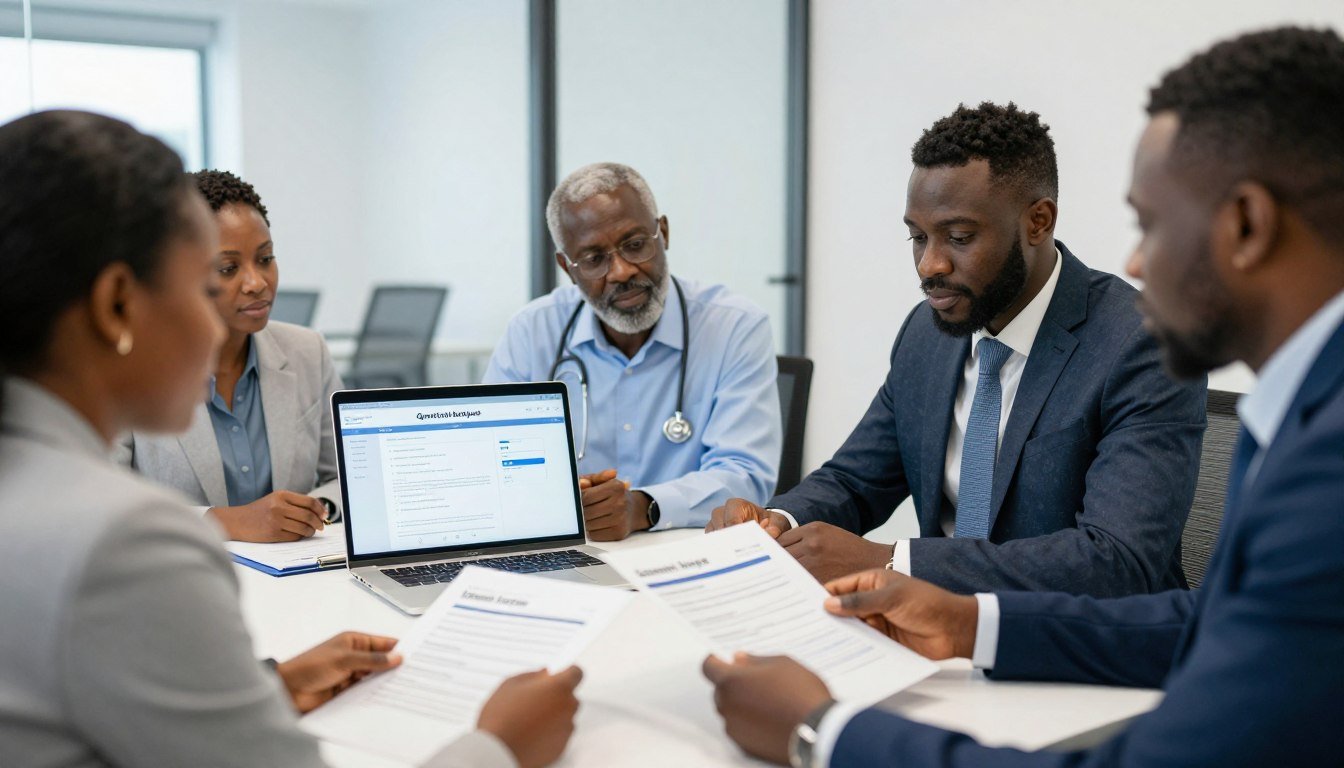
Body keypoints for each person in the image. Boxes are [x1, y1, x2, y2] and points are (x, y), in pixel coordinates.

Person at [702, 25, 1344, 767]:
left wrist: (822, 731)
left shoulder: (1303, 450)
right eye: (916, 237)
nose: (1135, 257)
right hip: (970, 668)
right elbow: (1204, 622)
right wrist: (967, 622)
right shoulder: (1297, 413)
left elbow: (1126, 576)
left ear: (1246, 224)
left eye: (1152, 224)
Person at [0, 109, 582, 768]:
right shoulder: (125, 543)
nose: (246, 295)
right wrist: (498, 745)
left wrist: (265, 688)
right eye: (202, 281)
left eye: (265, 261)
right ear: (117, 307)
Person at [708, 103, 1207, 595]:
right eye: (918, 237)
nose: (930, 265)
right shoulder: (928, 334)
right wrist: (776, 519)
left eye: (959, 237)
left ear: (1038, 222)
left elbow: (1116, 561)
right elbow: (855, 480)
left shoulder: (1142, 343)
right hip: (933, 638)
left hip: (1079, 651)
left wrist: (894, 562)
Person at [484, 162, 781, 541]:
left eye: (635, 245)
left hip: (691, 553)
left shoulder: (734, 327)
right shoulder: (532, 332)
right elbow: (494, 465)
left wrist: (643, 506)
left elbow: (745, 475)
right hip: (572, 552)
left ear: (664, 234)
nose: (621, 271)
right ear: (567, 268)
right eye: (594, 259)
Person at [118, 170, 341, 543]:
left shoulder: (307, 352)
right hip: (182, 580)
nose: (257, 283)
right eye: (228, 268)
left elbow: (347, 477)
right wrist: (224, 522)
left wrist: (313, 511)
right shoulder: (129, 367)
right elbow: (105, 508)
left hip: (300, 583)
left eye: (266, 258)